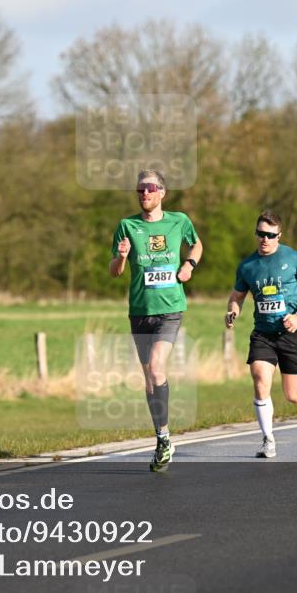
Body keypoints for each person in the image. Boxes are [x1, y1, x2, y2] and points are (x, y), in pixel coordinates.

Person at [110, 170, 202, 472]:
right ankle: (163, 437)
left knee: (157, 366)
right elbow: (114, 272)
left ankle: (163, 439)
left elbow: (196, 245)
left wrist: (189, 265)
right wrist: (122, 257)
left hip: (170, 308)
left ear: (162, 192)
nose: (144, 193)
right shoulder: (127, 226)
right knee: (149, 376)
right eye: (139, 189)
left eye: (150, 188)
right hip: (139, 310)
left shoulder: (179, 221)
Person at [225, 211, 297, 458]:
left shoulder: (293, 258)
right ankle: (268, 439)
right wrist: (232, 311)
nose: (264, 239)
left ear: (279, 235)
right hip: (263, 334)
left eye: (270, 235)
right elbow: (237, 296)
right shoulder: (247, 265)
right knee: (259, 376)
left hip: (291, 331)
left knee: (294, 396)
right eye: (260, 234)